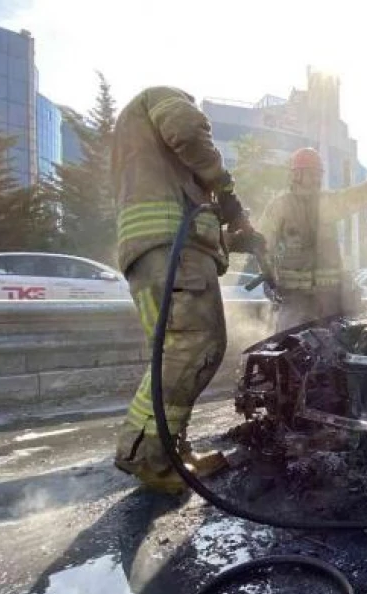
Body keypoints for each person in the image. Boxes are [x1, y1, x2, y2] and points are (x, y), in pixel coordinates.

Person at [111, 86, 265, 495]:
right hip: (170, 253)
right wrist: (224, 186)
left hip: (152, 255)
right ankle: (147, 455)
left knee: (175, 352)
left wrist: (233, 235)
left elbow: (191, 218)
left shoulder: (151, 161)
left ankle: (168, 450)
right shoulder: (164, 97)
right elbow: (186, 130)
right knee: (196, 346)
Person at [259, 147, 367, 332]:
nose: (317, 179)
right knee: (290, 347)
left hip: (330, 301)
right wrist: (268, 279)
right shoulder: (280, 207)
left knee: (335, 350)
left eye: (319, 174)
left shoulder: (328, 202)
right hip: (295, 301)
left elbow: (359, 195)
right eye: (311, 173)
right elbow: (263, 247)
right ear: (297, 175)